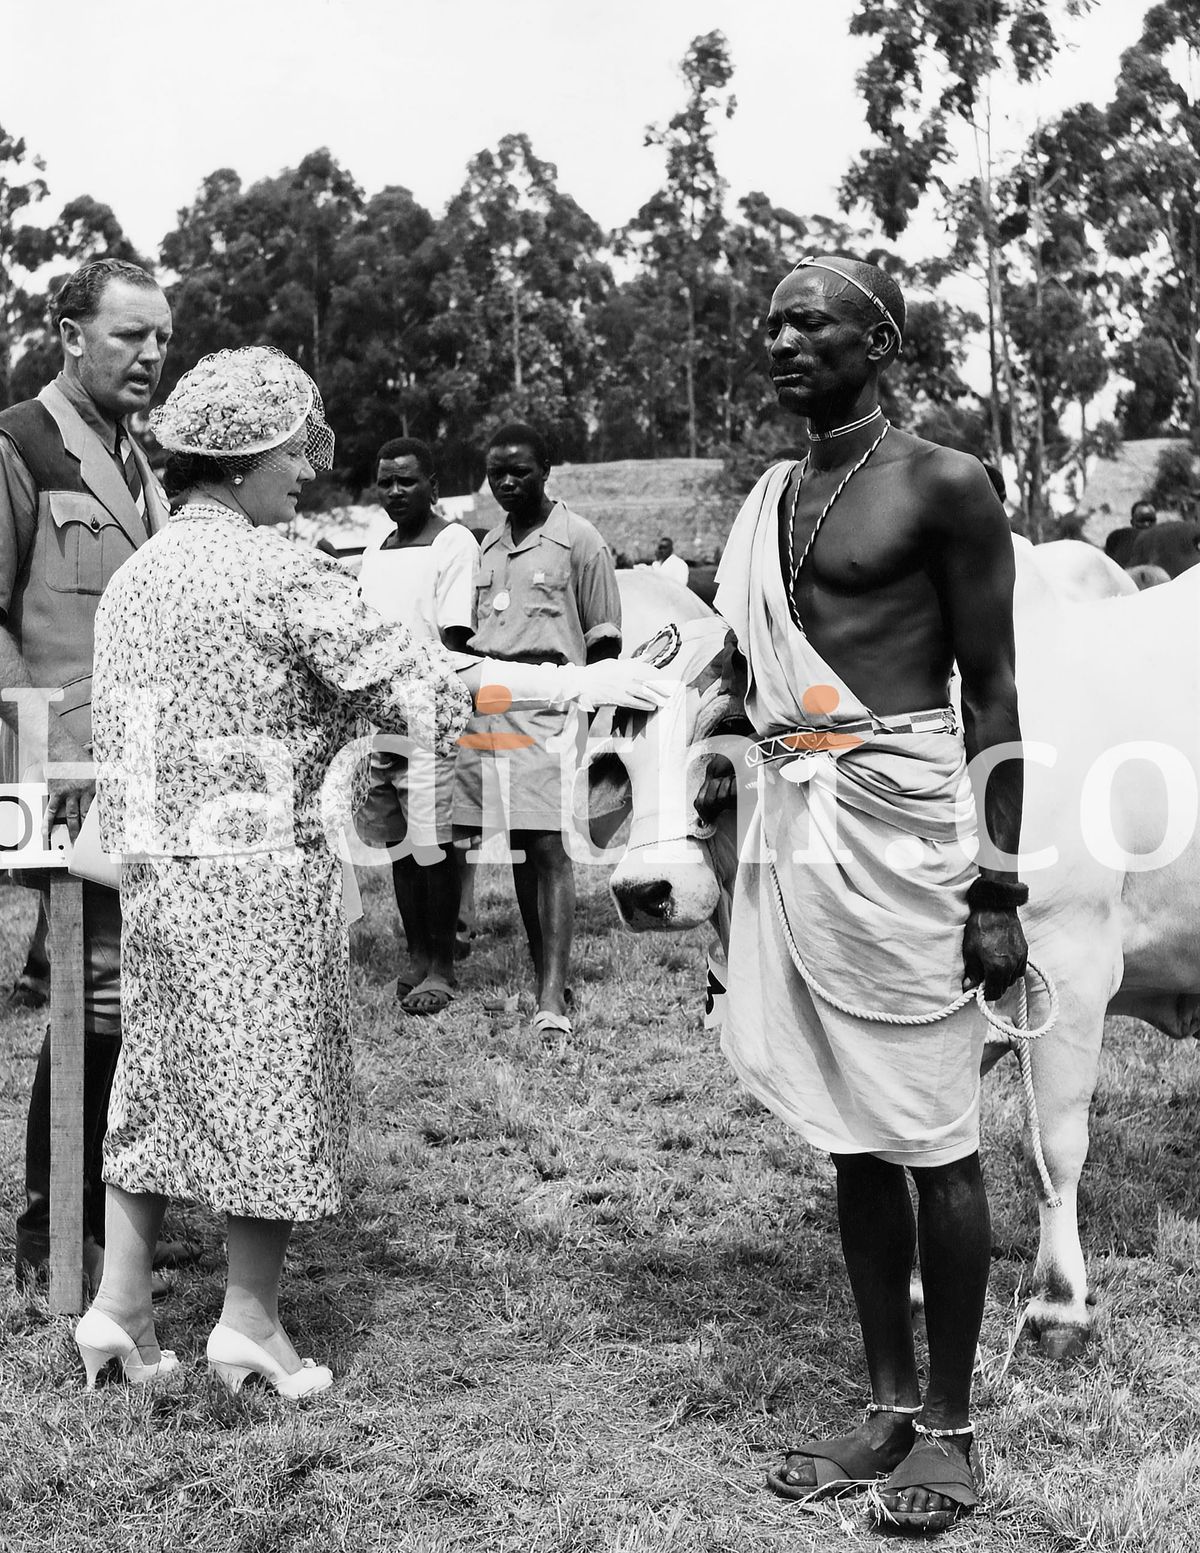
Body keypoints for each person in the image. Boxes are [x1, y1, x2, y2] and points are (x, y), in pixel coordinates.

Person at [74, 350, 667, 1396]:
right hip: (260, 884)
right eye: (294, 448)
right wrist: (580, 681)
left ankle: (119, 1309)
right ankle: (249, 1324)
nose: (307, 469)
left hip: (158, 875)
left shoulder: (136, 579)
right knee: (271, 1090)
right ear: (248, 456)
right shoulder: (278, 570)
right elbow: (425, 684)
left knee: (154, 1085)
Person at [709, 256, 1026, 1533]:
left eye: (810, 319)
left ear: (879, 339)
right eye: (770, 322)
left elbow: (995, 694)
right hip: (796, 834)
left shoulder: (946, 484)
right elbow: (746, 692)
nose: (781, 339)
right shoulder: (771, 496)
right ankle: (887, 1403)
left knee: (937, 1138)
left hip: (909, 837)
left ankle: (949, 1427)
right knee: (850, 1130)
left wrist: (999, 881)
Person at [0, 257, 173, 1291]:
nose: (150, 355)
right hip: (61, 770)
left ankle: (105, 1214)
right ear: (71, 331)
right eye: (128, 336)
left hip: (141, 764)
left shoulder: (138, 459)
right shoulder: (21, 443)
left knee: (125, 997)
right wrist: (33, 778)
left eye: (161, 338)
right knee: (90, 994)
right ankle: (47, 1228)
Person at [454, 423, 621, 1035]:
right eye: (496, 471)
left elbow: (606, 642)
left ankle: (552, 996)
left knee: (546, 846)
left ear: (547, 468)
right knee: (523, 847)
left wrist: (600, 722)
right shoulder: (487, 545)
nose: (506, 481)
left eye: (519, 470)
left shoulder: (580, 540)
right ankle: (546, 974)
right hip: (488, 709)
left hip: (549, 712)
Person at [356, 437, 478, 1015]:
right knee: (400, 845)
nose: (395, 492)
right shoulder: (377, 549)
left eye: (407, 481)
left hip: (427, 714)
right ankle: (416, 954)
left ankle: (443, 966)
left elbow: (454, 638)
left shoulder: (454, 542)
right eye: (386, 482)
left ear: (433, 484)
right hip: (380, 720)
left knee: (433, 845)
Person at [1104, 499, 1157, 565]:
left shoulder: (1161, 544)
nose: (1146, 524)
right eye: (1141, 520)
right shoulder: (1118, 542)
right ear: (1132, 522)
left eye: (1151, 520)